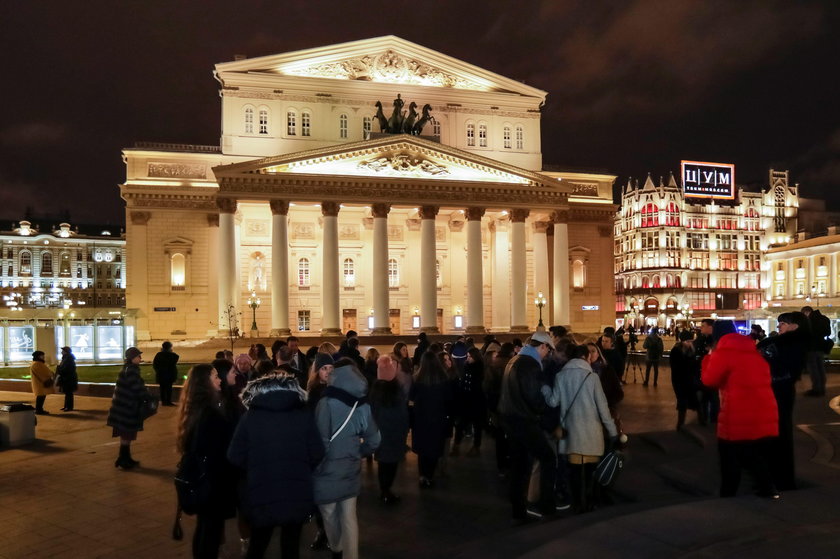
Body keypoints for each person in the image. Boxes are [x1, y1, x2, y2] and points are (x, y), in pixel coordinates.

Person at [228, 373, 325, 559]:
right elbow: (317, 452)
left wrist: (255, 467)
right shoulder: (303, 415)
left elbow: (234, 456)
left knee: (258, 544)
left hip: (261, 490)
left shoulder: (250, 417)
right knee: (291, 545)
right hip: (296, 490)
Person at [701, 321, 779, 499]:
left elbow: (709, 380)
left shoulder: (723, 353)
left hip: (737, 415)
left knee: (730, 460)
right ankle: (769, 491)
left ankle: (728, 496)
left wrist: (708, 358)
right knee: (754, 456)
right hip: (764, 413)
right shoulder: (753, 352)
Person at [313, 361, 380, 559]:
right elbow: (375, 440)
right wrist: (359, 452)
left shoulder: (326, 402)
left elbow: (322, 440)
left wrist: (315, 466)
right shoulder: (363, 403)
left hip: (326, 469)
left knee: (329, 513)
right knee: (350, 516)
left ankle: (336, 548)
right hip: (351, 466)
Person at [544, 345, 618, 513]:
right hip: (592, 434)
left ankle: (577, 503)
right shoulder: (592, 377)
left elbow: (553, 401)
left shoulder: (561, 376)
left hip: (572, 433)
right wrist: (612, 431)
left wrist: (545, 388)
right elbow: (603, 408)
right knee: (591, 472)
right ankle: (590, 502)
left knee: (575, 473)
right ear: (585, 357)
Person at [176, 364, 238, 558]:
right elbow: (217, 450)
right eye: (214, 377)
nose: (219, 379)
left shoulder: (196, 409)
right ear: (205, 384)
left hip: (205, 479)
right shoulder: (209, 414)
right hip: (213, 482)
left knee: (205, 527)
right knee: (210, 531)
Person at [499, 331, 556, 522]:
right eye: (548, 350)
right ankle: (547, 505)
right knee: (548, 458)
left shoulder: (514, 360)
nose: (547, 355)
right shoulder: (530, 365)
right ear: (542, 346)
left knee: (519, 466)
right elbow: (534, 398)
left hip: (510, 420)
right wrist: (547, 417)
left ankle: (518, 509)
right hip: (525, 421)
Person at [757, 312, 809, 490]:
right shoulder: (782, 342)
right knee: (775, 433)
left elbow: (785, 370)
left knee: (779, 433)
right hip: (774, 392)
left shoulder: (791, 344)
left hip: (779, 393)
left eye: (783, 323)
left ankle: (780, 477)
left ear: (795, 326)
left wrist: (765, 357)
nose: (778, 326)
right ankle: (776, 475)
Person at [369, 355, 409, 504]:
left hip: (381, 432)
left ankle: (384, 489)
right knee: (391, 464)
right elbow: (402, 414)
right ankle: (386, 490)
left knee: (384, 463)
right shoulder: (396, 391)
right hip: (394, 432)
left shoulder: (376, 390)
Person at [410, 351, 453, 488]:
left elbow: (411, 399)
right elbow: (448, 401)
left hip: (421, 420)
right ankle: (429, 475)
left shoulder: (417, 379)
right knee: (434, 449)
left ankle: (422, 475)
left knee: (423, 450)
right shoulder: (443, 380)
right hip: (438, 419)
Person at [107, 347, 153, 469]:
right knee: (127, 434)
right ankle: (123, 459)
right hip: (126, 408)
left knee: (126, 435)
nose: (140, 358)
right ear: (132, 358)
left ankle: (124, 458)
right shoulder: (131, 371)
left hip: (123, 408)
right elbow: (137, 388)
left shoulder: (128, 369)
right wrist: (149, 397)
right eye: (138, 356)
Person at [484, 343, 515, 477]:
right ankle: (511, 463)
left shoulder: (493, 366)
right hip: (510, 407)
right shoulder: (512, 365)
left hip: (496, 406)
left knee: (500, 438)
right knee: (512, 437)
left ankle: (501, 466)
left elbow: (486, 387)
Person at [452, 347, 487, 457]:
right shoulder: (466, 367)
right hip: (466, 400)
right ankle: (456, 446)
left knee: (477, 426)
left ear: (475, 357)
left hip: (477, 401)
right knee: (461, 424)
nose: (467, 358)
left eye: (470, 356)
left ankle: (476, 447)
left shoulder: (480, 369)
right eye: (467, 356)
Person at [670, 330, 702, 430]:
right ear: (682, 341)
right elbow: (677, 367)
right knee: (682, 402)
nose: (689, 343)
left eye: (691, 341)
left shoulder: (691, 350)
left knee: (696, 401)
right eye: (687, 341)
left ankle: (702, 421)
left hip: (690, 380)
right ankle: (680, 425)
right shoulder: (676, 351)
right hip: (680, 381)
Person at [801, 305, 832, 396]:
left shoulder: (809, 320)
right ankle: (822, 388)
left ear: (806, 312)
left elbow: (806, 334)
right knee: (820, 368)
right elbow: (828, 332)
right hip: (821, 346)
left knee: (813, 369)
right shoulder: (824, 319)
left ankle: (816, 389)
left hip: (811, 347)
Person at [153, 341, 179, 406]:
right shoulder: (172, 355)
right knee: (169, 389)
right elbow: (176, 357)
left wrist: (158, 371)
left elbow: (155, 364)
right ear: (170, 347)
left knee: (162, 389)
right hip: (169, 375)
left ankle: (163, 402)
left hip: (161, 374)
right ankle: (168, 401)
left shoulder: (159, 354)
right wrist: (170, 351)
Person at [29, 350, 55, 415]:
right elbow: (46, 372)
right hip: (41, 383)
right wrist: (52, 373)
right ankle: (39, 410)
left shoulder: (35, 363)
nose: (43, 357)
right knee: (41, 397)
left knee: (40, 397)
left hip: (39, 383)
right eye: (42, 355)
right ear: (38, 356)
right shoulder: (37, 364)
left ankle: (39, 409)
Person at [56, 346, 78, 412]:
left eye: (63, 351)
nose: (61, 352)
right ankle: (66, 406)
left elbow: (67, 369)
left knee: (69, 393)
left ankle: (69, 407)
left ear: (66, 352)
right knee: (67, 393)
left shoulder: (69, 359)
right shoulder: (66, 358)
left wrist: (59, 370)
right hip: (66, 378)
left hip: (68, 379)